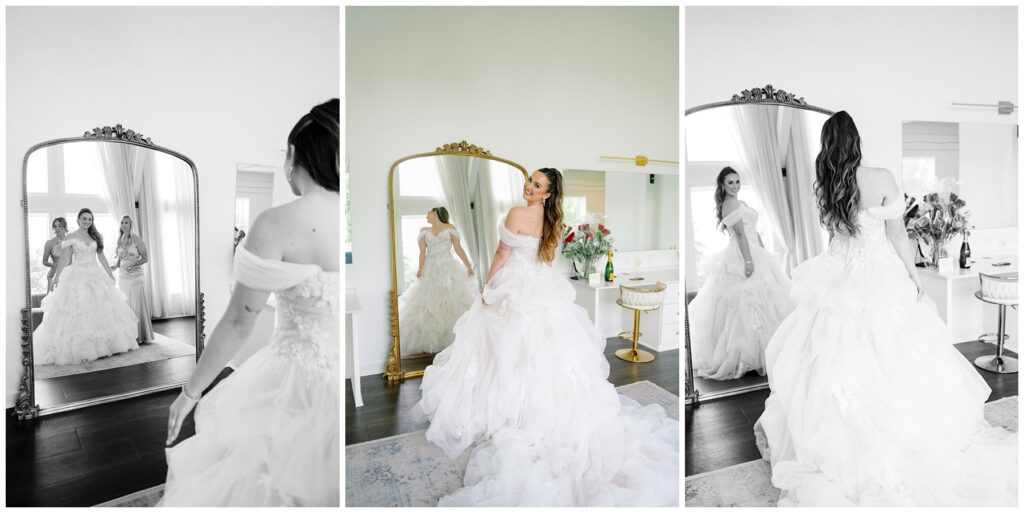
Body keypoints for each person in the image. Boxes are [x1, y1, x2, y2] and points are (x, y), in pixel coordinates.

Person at [753, 111, 1017, 506]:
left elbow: (835, 238)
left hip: (837, 275)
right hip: (877, 276)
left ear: (828, 144)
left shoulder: (825, 184)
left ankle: (838, 442)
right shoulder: (881, 177)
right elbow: (898, 234)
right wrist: (913, 276)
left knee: (830, 358)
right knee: (892, 357)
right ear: (856, 140)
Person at [412, 168, 678, 506]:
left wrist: (488, 285)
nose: (528, 186)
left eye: (536, 185)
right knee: (542, 351)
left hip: (514, 284)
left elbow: (501, 253)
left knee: (507, 349)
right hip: (540, 284)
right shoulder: (552, 219)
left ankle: (512, 410)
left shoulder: (516, 213)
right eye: (529, 181)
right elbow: (545, 258)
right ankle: (538, 408)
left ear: (547, 193)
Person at [160, 99, 340, 506]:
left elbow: (239, 322)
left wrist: (190, 393)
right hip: (332, 388)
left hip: (290, 385)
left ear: (292, 156)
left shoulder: (277, 222)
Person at [688, 167, 794, 380]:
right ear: (723, 185)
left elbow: (753, 232)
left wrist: (762, 252)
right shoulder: (730, 205)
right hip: (742, 254)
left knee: (766, 300)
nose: (735, 186)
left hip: (755, 251)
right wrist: (748, 260)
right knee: (746, 302)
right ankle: (748, 355)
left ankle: (767, 349)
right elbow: (740, 235)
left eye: (737, 181)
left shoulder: (739, 202)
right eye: (730, 183)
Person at [34, 209, 139, 365]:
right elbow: (65, 258)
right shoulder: (71, 237)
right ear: (78, 219)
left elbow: (101, 257)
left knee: (103, 308)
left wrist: (109, 274)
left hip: (96, 274)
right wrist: (57, 276)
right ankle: (81, 349)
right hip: (78, 275)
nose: (87, 221)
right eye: (84, 218)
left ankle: (105, 346)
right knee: (79, 310)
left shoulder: (95, 236)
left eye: (90, 219)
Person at [398, 206, 477, 355]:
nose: (426, 216)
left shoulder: (450, 228)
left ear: (435, 213)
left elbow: (458, 248)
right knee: (428, 303)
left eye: (428, 213)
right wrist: (420, 269)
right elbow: (422, 252)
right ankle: (434, 343)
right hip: (430, 269)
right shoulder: (424, 231)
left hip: (448, 269)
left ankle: (454, 342)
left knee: (451, 300)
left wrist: (468, 265)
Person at [111, 216, 154, 344]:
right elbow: (120, 258)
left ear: (131, 225)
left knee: (136, 305)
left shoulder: (137, 239)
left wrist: (133, 265)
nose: (124, 225)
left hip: (135, 277)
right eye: (122, 223)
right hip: (123, 277)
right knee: (126, 305)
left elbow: (145, 258)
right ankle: (128, 335)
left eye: (126, 223)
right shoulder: (120, 239)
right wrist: (115, 266)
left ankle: (139, 335)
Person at [42, 217, 68, 293]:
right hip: (54, 274)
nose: (57, 228)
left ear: (65, 227)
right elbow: (44, 261)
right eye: (55, 226)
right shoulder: (50, 243)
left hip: (68, 274)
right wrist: (52, 264)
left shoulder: (70, 241)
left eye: (59, 226)